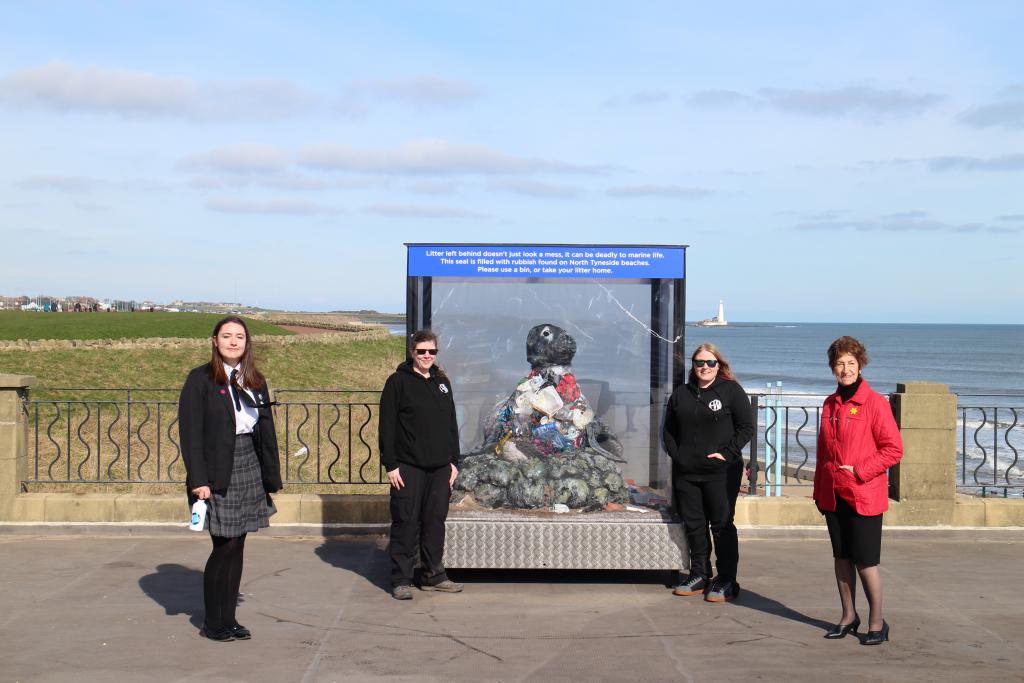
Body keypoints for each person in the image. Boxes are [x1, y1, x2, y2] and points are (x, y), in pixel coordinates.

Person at [178, 316, 282, 641]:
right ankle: (213, 621)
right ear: (215, 341)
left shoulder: (255, 380)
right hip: (216, 470)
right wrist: (199, 479)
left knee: (239, 544)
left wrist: (270, 476)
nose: (234, 342)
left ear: (247, 343)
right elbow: (190, 434)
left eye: (239, 337)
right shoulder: (200, 380)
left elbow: (265, 430)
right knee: (224, 544)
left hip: (249, 462)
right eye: (227, 336)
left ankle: (230, 618)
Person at [813, 336, 903, 645]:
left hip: (864, 493)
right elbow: (823, 453)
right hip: (833, 494)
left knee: (865, 561)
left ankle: (877, 621)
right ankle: (848, 616)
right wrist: (818, 490)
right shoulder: (829, 404)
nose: (845, 369)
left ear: (860, 364)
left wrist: (860, 470)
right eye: (840, 363)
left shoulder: (875, 403)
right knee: (841, 558)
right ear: (832, 367)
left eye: (851, 363)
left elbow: (894, 450)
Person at [663, 343, 754, 603]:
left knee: (722, 525)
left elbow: (746, 427)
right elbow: (668, 430)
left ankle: (726, 579)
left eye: (710, 362)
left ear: (718, 365)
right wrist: (677, 454)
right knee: (694, 525)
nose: (704, 367)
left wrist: (727, 453)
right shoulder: (682, 393)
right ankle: (700, 574)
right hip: (687, 472)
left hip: (721, 473)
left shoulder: (731, 391)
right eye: (699, 362)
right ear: (693, 365)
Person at [379, 330, 462, 600]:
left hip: (440, 468)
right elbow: (387, 426)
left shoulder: (442, 382)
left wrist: (454, 461)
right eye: (421, 351)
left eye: (432, 351)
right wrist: (390, 465)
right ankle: (401, 579)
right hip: (408, 467)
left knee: (435, 522)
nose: (427, 356)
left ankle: (432, 575)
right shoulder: (397, 383)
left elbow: (451, 424)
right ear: (412, 353)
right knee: (406, 521)